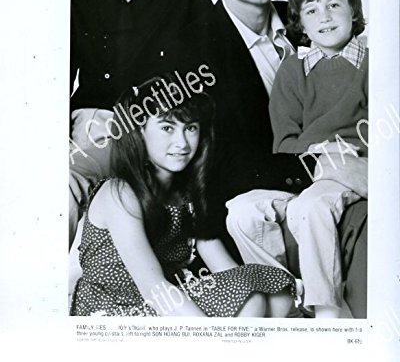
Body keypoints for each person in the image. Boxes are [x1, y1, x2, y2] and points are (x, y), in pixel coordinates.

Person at [183, 0, 368, 317]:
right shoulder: (193, 49)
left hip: (345, 194)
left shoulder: (312, 18)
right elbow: (214, 164)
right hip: (266, 211)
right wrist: (320, 165)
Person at [70, 76, 299, 317]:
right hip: (115, 312)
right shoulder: (119, 193)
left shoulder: (186, 195)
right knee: (251, 300)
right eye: (167, 128)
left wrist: (250, 295)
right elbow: (153, 288)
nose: (182, 143)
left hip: (166, 303)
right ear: (140, 132)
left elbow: (226, 270)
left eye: (190, 128)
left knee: (275, 291)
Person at [69, 0, 212, 247]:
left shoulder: (190, 1)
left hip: (158, 136)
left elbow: (204, 89)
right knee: (61, 187)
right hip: (92, 132)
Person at [228, 0, 368, 317]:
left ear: (353, 10)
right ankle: (287, 300)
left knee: (312, 207)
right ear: (300, 24)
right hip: (309, 170)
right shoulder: (293, 70)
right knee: (241, 212)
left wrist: (345, 153)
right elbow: (284, 143)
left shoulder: (373, 64)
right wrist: (320, 151)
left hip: (353, 167)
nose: (325, 16)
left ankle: (327, 312)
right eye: (312, 10)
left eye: (334, 5)